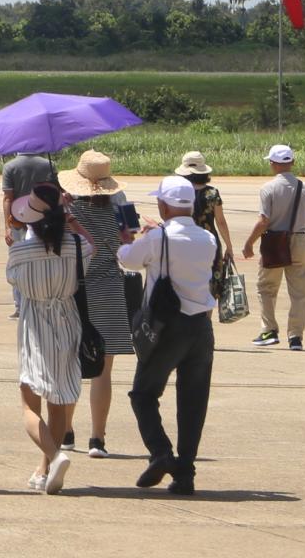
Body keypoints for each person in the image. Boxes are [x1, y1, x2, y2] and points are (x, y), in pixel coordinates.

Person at [123, 176, 220, 495]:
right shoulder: (208, 238)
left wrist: (133, 238)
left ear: (164, 206)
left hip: (167, 327)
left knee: (143, 394)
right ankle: (185, 474)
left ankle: (161, 452)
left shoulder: (158, 237)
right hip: (200, 327)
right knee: (193, 401)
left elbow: (127, 259)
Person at [5, 183, 83, 494]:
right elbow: (92, 249)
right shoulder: (76, 245)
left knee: (29, 404)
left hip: (36, 325)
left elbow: (14, 280)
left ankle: (54, 456)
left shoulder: (20, 252)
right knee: (59, 400)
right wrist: (71, 220)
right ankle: (45, 468)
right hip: (68, 321)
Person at [58, 151, 133, 459]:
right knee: (103, 370)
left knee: (71, 364)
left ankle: (66, 430)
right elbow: (129, 239)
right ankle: (97, 438)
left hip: (76, 289)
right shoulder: (121, 204)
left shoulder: (67, 208)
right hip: (110, 287)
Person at [244, 144, 305, 350]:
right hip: (301, 240)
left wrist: (249, 242)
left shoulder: (268, 188)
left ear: (272, 163)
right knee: (301, 293)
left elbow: (263, 221)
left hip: (275, 243)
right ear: (292, 162)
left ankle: (269, 330)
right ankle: (295, 337)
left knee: (267, 288)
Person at [2, 150, 60, 318]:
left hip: (18, 219)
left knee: (17, 262)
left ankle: (20, 306)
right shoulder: (48, 164)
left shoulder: (10, 167)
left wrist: (7, 226)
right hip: (45, 219)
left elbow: (8, 198)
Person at [176, 152, 231, 290]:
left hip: (186, 242)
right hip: (210, 242)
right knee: (211, 284)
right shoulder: (212, 193)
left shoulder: (180, 193)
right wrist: (229, 246)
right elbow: (221, 222)